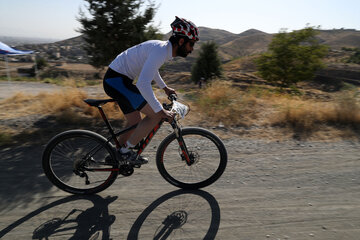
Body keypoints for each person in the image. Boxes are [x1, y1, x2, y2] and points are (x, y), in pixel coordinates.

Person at [103, 16, 199, 165]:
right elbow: (143, 83)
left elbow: (151, 70)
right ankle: (125, 152)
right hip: (116, 81)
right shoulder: (161, 51)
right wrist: (160, 110)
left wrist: (165, 88)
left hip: (118, 80)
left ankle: (116, 155)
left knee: (134, 122)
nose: (192, 49)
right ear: (181, 41)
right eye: (191, 44)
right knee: (155, 115)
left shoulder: (162, 49)